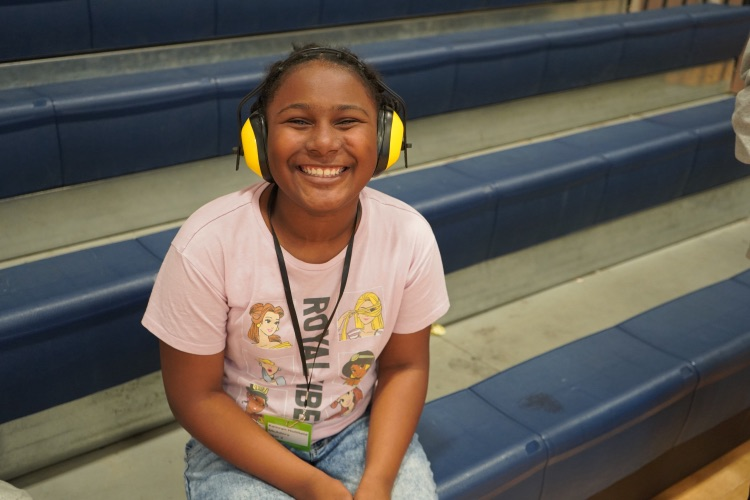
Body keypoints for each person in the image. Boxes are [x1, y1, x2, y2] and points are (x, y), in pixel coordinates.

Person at [142, 43, 450, 499]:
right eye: (298, 121)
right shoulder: (208, 244)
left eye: (347, 121)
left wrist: (379, 481)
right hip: (242, 444)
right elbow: (196, 398)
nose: (324, 143)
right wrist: (311, 486)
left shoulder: (409, 236)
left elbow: (405, 366)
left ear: (384, 137)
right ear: (260, 140)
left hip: (357, 432)